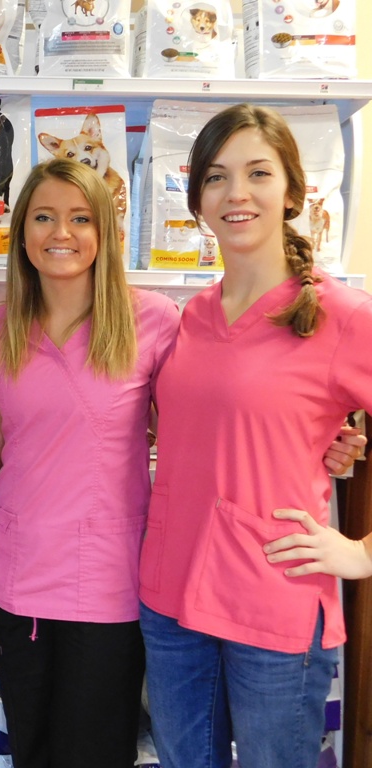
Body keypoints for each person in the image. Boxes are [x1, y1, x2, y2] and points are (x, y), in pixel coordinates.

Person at [138, 103, 372, 768]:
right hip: (171, 597)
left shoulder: (342, 317)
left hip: (272, 605)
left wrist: (362, 554)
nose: (236, 193)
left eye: (258, 173)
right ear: (197, 202)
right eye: (216, 177)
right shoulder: (190, 317)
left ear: (293, 191)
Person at [0, 158, 180, 768]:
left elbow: (191, 435)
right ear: (22, 233)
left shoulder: (152, 321)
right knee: (32, 751)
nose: (62, 233)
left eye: (81, 218)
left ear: (105, 231)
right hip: (18, 581)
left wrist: (314, 439)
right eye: (44, 217)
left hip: (110, 583)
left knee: (96, 753)